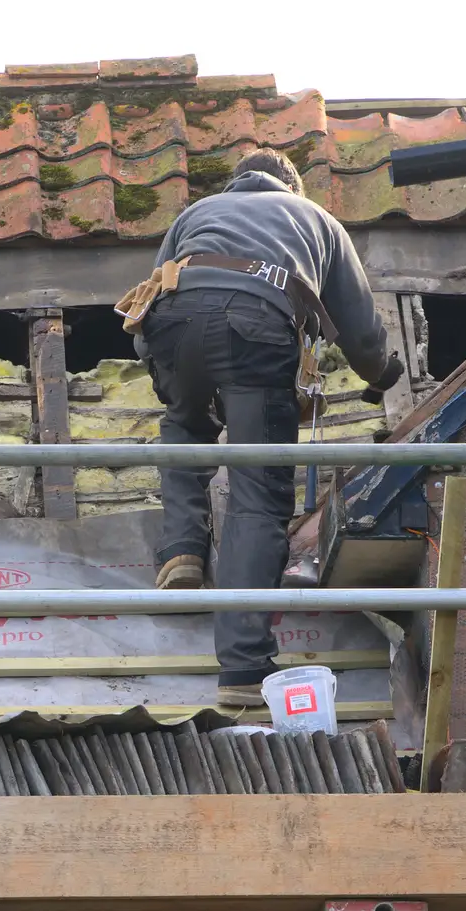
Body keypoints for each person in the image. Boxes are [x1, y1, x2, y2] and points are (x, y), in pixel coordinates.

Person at [124, 149, 403, 704]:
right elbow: (361, 333)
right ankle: (244, 671)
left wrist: (174, 364)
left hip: (171, 326)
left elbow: (151, 296)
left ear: (237, 184)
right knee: (256, 492)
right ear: (292, 188)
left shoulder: (198, 212)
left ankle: (181, 550)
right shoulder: (317, 220)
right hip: (255, 321)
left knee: (183, 425)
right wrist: (385, 373)